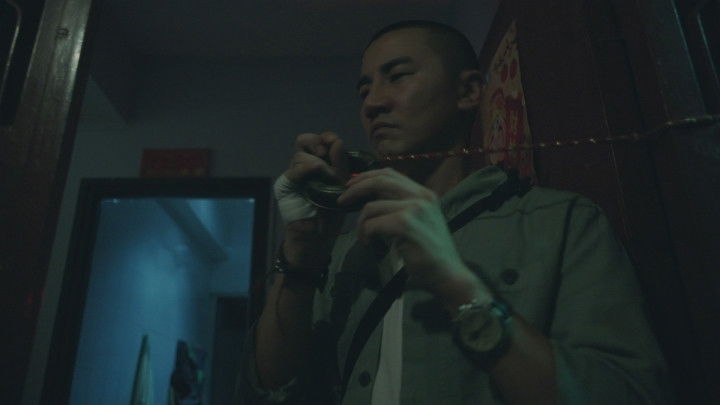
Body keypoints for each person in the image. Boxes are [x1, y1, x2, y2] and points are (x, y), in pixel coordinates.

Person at [238, 21, 670, 405]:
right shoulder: (345, 252)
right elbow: (268, 390)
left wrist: (454, 283)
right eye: (364, 89)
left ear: (468, 91)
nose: (372, 103)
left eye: (397, 76)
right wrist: (304, 248)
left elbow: (626, 394)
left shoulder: (560, 223)